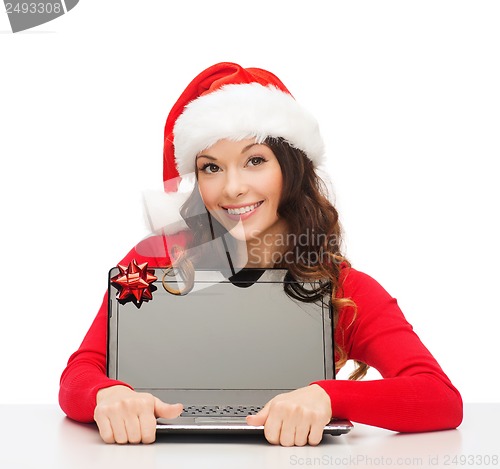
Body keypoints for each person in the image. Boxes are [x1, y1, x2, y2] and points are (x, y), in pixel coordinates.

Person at [59, 62, 463, 447]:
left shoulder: (343, 288)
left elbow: (439, 397)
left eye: (255, 160)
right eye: (211, 167)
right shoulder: (153, 262)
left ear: (291, 169)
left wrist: (328, 398)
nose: (232, 188)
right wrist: (105, 395)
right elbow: (80, 373)